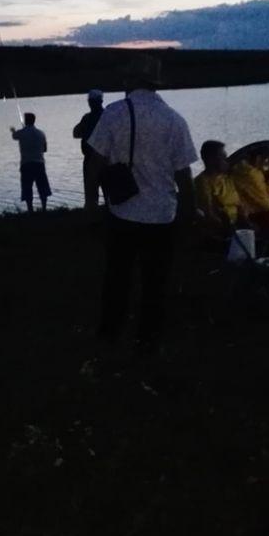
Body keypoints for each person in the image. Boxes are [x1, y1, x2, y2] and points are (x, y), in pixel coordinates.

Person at [87, 54, 197, 355]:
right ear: (155, 83)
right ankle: (147, 340)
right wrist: (189, 211)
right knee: (155, 281)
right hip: (162, 216)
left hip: (122, 212)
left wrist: (91, 203)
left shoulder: (114, 113)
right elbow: (184, 173)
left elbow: (94, 163)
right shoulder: (174, 120)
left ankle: (109, 334)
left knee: (117, 277)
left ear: (132, 80)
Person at [230, 145, 269, 253]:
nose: (268, 164)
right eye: (267, 161)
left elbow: (266, 195)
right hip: (250, 213)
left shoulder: (256, 172)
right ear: (258, 158)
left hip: (256, 208)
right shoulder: (249, 174)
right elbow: (264, 203)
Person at [194, 140, 243, 246]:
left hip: (236, 224)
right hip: (219, 231)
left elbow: (238, 203)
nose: (226, 161)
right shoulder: (202, 182)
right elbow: (209, 213)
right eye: (223, 158)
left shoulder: (226, 178)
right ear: (211, 160)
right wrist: (228, 228)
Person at [10, 113, 51, 213]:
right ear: (34, 120)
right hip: (39, 164)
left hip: (26, 164)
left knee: (27, 187)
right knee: (42, 187)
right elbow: (45, 149)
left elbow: (14, 136)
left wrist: (13, 130)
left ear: (25, 121)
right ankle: (44, 208)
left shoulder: (21, 133)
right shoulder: (41, 133)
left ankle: (30, 210)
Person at [72, 89, 105, 209]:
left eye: (91, 101)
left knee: (91, 195)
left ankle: (91, 215)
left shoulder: (87, 118)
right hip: (107, 159)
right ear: (101, 101)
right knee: (109, 193)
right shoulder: (108, 115)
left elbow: (76, 133)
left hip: (91, 160)